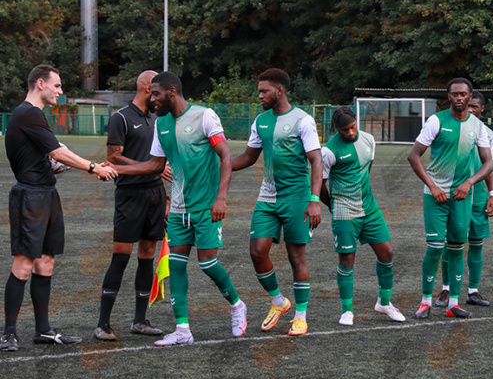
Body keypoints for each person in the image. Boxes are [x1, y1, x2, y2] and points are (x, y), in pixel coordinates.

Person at [114, 71, 245, 346]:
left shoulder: (204, 116)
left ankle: (236, 305)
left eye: (156, 94)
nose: (152, 99)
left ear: (171, 92)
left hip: (207, 207)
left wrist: (220, 198)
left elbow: (226, 156)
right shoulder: (161, 124)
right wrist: (116, 168)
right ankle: (183, 330)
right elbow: (155, 165)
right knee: (176, 266)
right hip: (178, 210)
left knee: (208, 264)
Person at [1, 65, 117, 352]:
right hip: (30, 197)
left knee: (46, 262)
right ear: (40, 84)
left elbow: (48, 157)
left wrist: (54, 167)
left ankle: (43, 331)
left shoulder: (34, 115)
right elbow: (57, 152)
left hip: (46, 193)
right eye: (57, 85)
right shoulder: (28, 113)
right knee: (24, 263)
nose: (61, 91)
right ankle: (8, 333)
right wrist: (93, 167)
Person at [231, 69, 323, 335]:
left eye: (264, 91)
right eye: (259, 91)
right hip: (267, 199)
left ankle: (301, 316)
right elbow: (248, 157)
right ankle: (278, 302)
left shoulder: (302, 120)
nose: (260, 95)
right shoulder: (260, 121)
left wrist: (314, 200)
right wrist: (218, 166)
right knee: (257, 251)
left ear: (279, 90)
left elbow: (315, 160)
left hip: (297, 199)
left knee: (296, 257)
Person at [408, 78, 493, 319]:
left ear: (470, 97)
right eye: (454, 94)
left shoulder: (477, 126)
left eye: (463, 94)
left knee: (457, 248)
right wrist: (433, 186)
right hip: (436, 196)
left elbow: (488, 163)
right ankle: (425, 301)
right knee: (435, 248)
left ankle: (453, 304)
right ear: (448, 97)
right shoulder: (436, 121)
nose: (459, 98)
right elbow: (414, 156)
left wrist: (469, 182)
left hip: (462, 197)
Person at [94, 70, 171, 341]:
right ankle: (103, 324)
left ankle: (140, 320)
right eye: (159, 88)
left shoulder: (158, 117)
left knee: (148, 253)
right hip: (129, 194)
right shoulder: (121, 117)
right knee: (121, 256)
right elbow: (113, 158)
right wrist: (149, 167)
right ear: (148, 87)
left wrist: (165, 193)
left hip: (155, 194)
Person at [321, 107, 404, 325]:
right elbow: (320, 185)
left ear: (357, 122)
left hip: (370, 208)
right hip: (343, 210)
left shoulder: (368, 139)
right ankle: (346, 310)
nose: (350, 132)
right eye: (344, 130)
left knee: (387, 252)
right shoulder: (328, 150)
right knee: (347, 259)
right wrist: (334, 205)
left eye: (352, 127)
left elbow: (367, 169)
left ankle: (384, 303)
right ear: (336, 129)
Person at [438, 91, 493, 308]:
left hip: (478, 195)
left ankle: (473, 291)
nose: (470, 109)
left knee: (476, 243)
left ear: (481, 109)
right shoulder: (452, 126)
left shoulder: (487, 133)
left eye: (475, 107)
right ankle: (446, 289)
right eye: (468, 106)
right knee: (450, 243)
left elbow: (489, 166)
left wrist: (492, 194)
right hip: (455, 193)